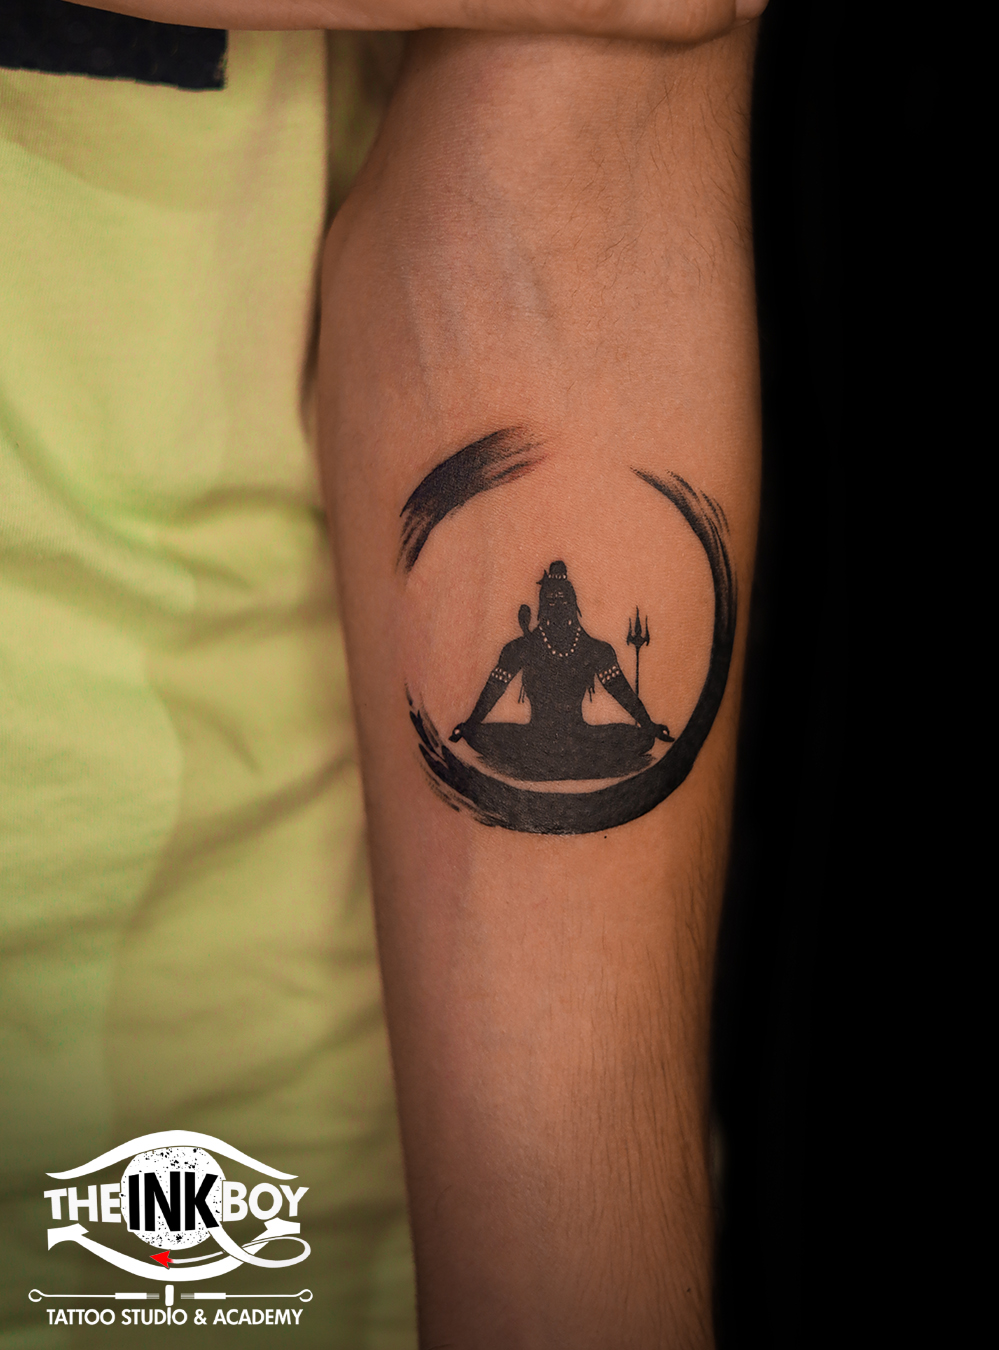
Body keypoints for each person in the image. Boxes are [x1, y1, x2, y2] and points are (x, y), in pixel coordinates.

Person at [1, 2, 764, 1346]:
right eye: (560, 602)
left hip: (307, 1125)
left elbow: (570, 182)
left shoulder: (572, 641)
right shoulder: (532, 646)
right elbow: (489, 703)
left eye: (567, 599)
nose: (565, 610)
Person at [450, 560, 672, 781]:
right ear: (542, 606)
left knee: (642, 739)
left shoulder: (595, 649)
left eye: (563, 600)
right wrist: (470, 724)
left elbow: (621, 691)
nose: (557, 606)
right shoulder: (521, 648)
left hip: (580, 740)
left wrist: (649, 725)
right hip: (533, 741)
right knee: (480, 735)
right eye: (551, 601)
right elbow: (494, 688)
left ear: (573, 604)